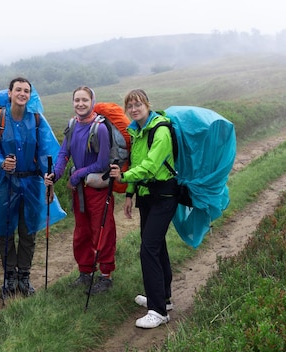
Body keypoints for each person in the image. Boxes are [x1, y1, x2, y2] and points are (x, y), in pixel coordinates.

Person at [0, 77, 65, 297]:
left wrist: (50, 179)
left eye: (26, 91)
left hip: (31, 184)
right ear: (9, 93)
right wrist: (1, 163)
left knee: (28, 232)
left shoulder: (37, 120)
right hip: (5, 184)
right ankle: (9, 277)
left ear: (30, 95)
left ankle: (24, 277)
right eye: (18, 89)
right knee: (6, 232)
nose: (22, 94)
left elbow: (48, 151)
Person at [109, 89, 177, 329]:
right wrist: (129, 193)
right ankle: (163, 297)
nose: (134, 109)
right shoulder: (137, 132)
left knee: (148, 249)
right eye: (130, 106)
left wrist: (124, 176)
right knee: (157, 247)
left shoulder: (160, 130)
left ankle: (158, 311)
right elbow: (139, 163)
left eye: (138, 104)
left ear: (148, 105)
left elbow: (149, 166)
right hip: (147, 196)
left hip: (164, 195)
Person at [44, 86, 116, 295]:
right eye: (77, 100)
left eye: (84, 100)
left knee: (102, 230)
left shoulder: (100, 128)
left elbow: (102, 163)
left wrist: (75, 176)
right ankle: (85, 272)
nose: (80, 104)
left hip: (97, 189)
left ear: (92, 101)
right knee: (82, 232)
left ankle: (105, 276)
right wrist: (55, 175)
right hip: (80, 191)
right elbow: (64, 154)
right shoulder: (72, 125)